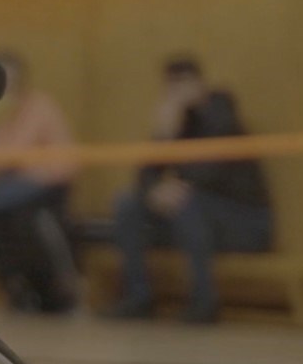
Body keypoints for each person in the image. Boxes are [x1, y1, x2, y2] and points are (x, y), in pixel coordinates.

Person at [108, 54, 272, 324]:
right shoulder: (177, 123)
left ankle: (205, 303)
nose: (178, 93)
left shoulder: (223, 116)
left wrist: (169, 188)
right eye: (171, 86)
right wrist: (162, 139)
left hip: (246, 224)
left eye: (185, 84)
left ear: (201, 84)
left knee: (186, 202)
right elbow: (145, 177)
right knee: (128, 204)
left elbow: (208, 174)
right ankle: (138, 297)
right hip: (195, 222)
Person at [0, 51, 79, 313]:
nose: (6, 90)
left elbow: (64, 162)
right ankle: (16, 287)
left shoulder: (42, 107)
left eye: (12, 83)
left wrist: (20, 175)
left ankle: (56, 292)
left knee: (25, 218)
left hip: (36, 190)